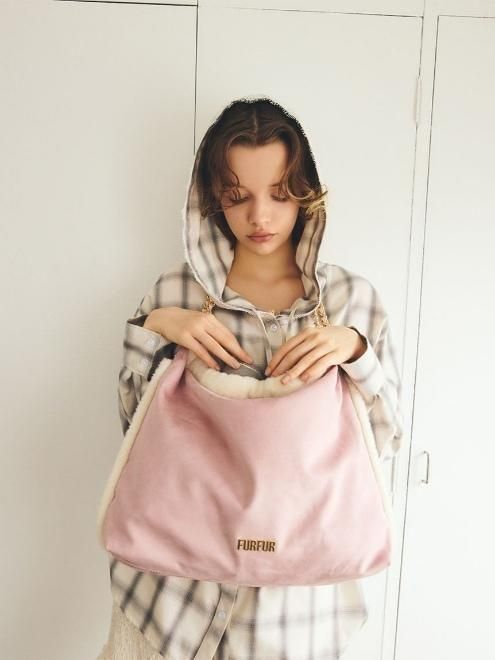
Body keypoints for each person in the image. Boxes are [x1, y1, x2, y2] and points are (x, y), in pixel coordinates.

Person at [98, 95, 404, 659]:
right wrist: (158, 327)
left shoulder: (350, 300)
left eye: (279, 194)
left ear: (307, 193)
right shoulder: (175, 291)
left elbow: (383, 443)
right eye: (238, 197)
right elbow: (133, 432)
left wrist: (356, 351)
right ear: (213, 197)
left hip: (295, 615)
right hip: (170, 600)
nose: (260, 217)